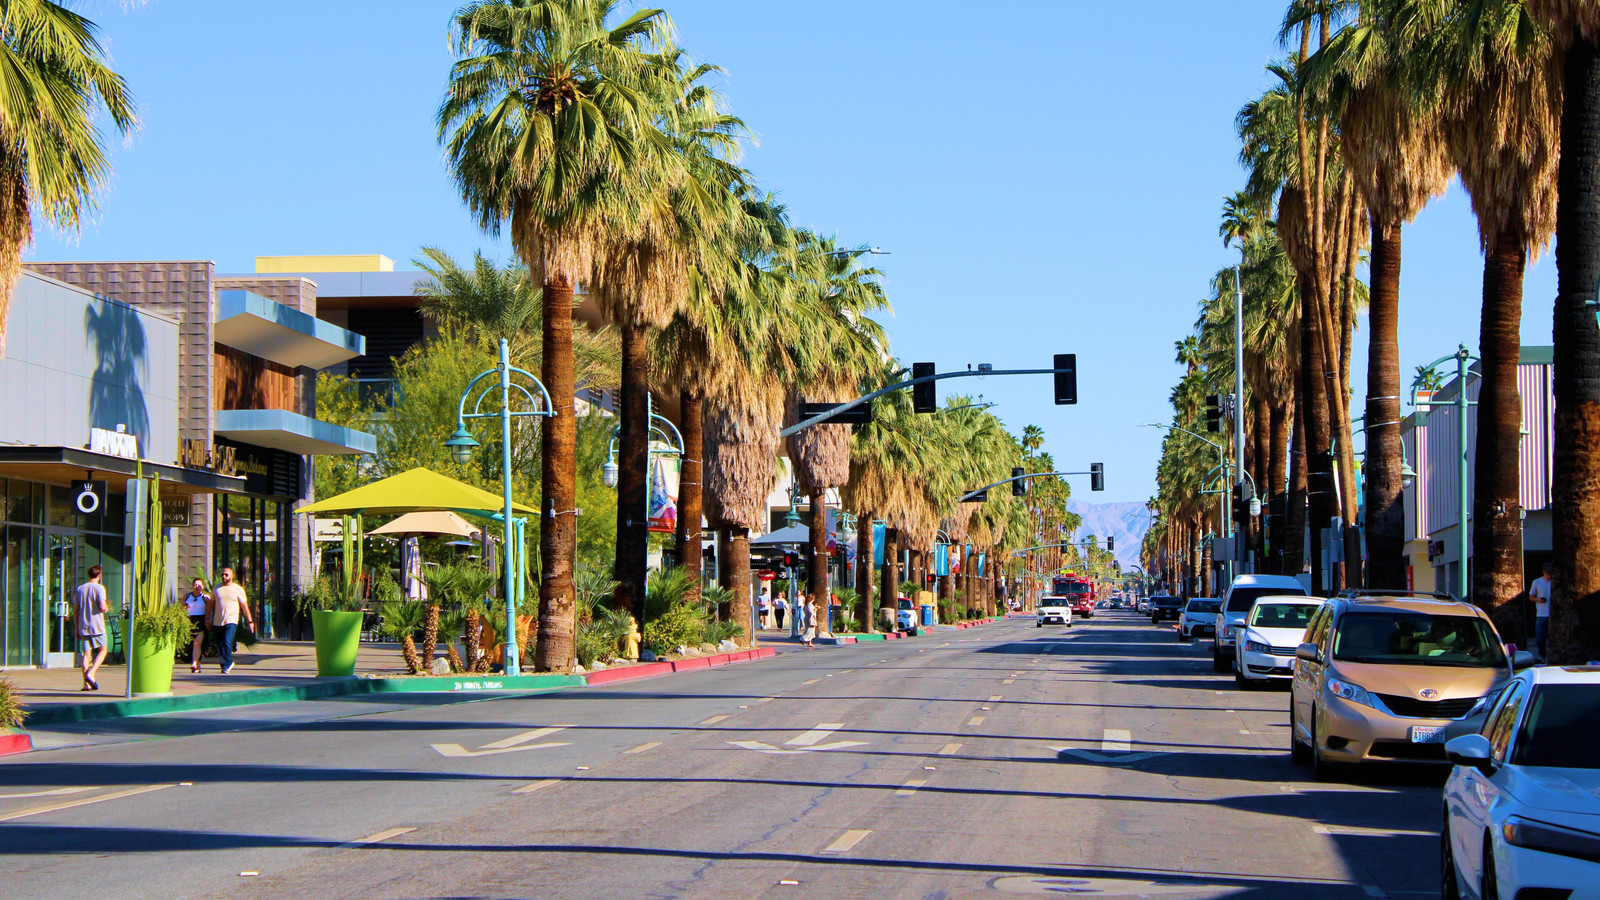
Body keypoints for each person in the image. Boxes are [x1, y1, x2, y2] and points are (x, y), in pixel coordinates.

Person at [209, 567, 255, 674]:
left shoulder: (238, 589)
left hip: (231, 619)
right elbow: (211, 604)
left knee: (227, 641)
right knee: (220, 644)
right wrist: (208, 617)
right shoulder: (216, 588)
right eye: (223, 575)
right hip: (217, 620)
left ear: (232, 576)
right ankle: (225, 663)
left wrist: (250, 622)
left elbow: (245, 606)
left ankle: (228, 662)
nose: (224, 577)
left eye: (226, 575)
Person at [73, 565, 109, 691]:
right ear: (99, 575)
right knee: (103, 650)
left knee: (86, 654)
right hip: (97, 625)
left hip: (83, 625)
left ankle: (86, 684)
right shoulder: (99, 588)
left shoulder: (80, 589)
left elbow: (76, 610)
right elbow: (102, 606)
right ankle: (91, 672)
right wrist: (107, 608)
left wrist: (76, 628)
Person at [182, 578, 210, 673]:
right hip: (189, 620)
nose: (197, 587)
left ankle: (194, 663)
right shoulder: (187, 596)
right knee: (190, 644)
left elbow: (210, 609)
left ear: (203, 586)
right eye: (195, 585)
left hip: (200, 620)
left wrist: (208, 620)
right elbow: (182, 608)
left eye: (199, 585)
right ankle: (197, 664)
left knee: (197, 643)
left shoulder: (205, 597)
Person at [1529, 562, 1553, 662]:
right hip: (1542, 614)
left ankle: (1552, 656)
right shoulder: (1537, 582)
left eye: (1550, 573)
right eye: (1547, 573)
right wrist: (1538, 600)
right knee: (1540, 638)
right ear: (1543, 573)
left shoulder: (1555, 582)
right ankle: (1542, 655)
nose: (1549, 575)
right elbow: (1531, 596)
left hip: (1553, 614)